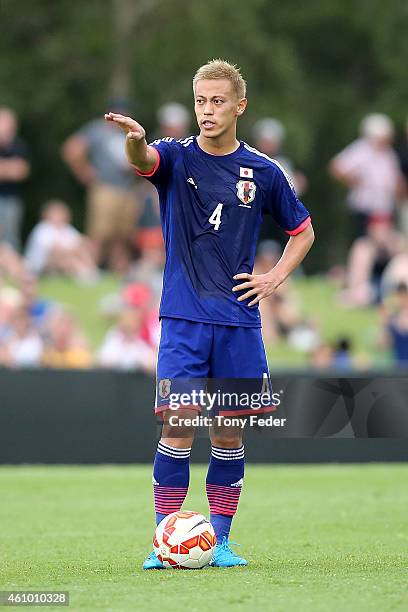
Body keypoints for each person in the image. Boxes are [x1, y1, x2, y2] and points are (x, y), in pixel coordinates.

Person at [105, 59, 314, 569]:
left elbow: (302, 231)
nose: (207, 110)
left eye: (217, 101)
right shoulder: (177, 158)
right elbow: (143, 159)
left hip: (239, 322)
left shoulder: (264, 171)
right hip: (183, 319)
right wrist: (135, 139)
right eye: (201, 101)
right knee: (178, 426)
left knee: (228, 432)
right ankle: (164, 540)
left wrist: (272, 278)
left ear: (239, 105)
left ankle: (219, 542)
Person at [62, 101, 139, 271]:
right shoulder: (97, 130)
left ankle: (119, 275)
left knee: (123, 236)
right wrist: (83, 172)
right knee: (99, 234)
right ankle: (89, 272)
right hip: (105, 188)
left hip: (127, 190)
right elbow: (72, 148)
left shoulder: (129, 132)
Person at [328, 113, 403, 238]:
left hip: (384, 207)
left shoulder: (389, 154)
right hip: (363, 207)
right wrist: (352, 181)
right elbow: (336, 167)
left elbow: (395, 180)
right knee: (363, 242)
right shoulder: (360, 150)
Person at [24, 200, 98, 282]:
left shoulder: (67, 229)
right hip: (39, 264)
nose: (59, 216)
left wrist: (80, 248)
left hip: (62, 259)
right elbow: (54, 249)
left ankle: (89, 269)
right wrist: (74, 251)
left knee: (81, 249)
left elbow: (81, 243)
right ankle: (85, 273)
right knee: (65, 257)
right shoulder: (43, 228)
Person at [0, 107, 30, 250]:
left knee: (10, 237)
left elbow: (21, 172)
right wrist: (10, 168)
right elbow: (15, 170)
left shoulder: (19, 146)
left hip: (11, 200)